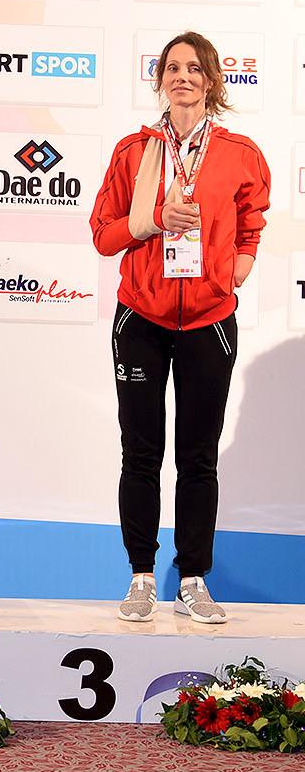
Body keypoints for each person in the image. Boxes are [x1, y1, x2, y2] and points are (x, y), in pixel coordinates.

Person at [90, 31, 270, 623]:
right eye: (172, 68)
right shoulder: (133, 152)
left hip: (209, 321)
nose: (183, 77)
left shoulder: (240, 154)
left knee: (199, 457)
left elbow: (252, 221)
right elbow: (104, 236)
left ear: (213, 80)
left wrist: (234, 272)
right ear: (160, 80)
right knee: (140, 452)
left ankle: (193, 579)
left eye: (194, 68)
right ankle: (142, 576)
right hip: (140, 317)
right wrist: (151, 221)